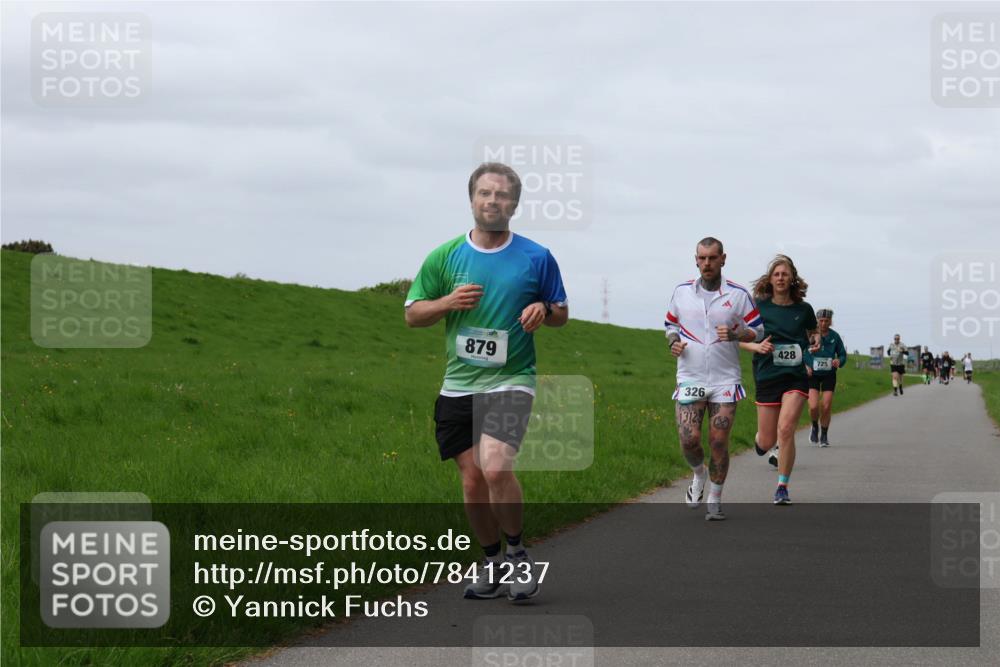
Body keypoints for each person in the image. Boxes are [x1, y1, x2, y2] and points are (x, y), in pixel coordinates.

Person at [404, 162, 568, 601]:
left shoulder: (536, 256)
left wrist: (543, 311)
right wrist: (446, 302)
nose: (493, 201)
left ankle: (517, 555)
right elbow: (412, 314)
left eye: (501, 195)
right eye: (485, 193)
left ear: (514, 204)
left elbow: (561, 313)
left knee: (496, 463)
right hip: (458, 384)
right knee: (473, 480)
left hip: (513, 377)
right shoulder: (444, 256)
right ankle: (492, 561)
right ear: (472, 199)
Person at [665, 237, 764, 521]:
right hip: (690, 375)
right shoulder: (682, 292)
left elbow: (758, 330)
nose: (707, 263)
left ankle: (715, 500)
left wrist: (737, 334)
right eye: (702, 258)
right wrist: (672, 342)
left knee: (719, 441)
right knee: (688, 439)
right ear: (695, 260)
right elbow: (670, 325)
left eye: (712, 258)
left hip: (724, 379)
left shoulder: (739, 295)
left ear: (723, 259)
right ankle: (699, 474)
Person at [739, 255, 820, 505]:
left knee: (786, 430)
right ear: (770, 279)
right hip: (767, 375)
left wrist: (815, 339)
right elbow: (736, 336)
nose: (781, 278)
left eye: (785, 274)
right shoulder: (758, 306)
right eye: (777, 274)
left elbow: (813, 331)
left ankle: (782, 487)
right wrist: (755, 347)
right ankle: (761, 443)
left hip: (795, 376)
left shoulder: (803, 309)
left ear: (792, 277)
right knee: (767, 440)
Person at [803, 309, 846, 447]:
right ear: (816, 320)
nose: (823, 323)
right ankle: (815, 426)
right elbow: (802, 351)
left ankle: (824, 436)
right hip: (813, 375)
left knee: (826, 405)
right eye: (821, 321)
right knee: (814, 406)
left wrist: (839, 361)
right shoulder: (810, 335)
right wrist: (806, 365)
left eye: (826, 321)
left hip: (829, 374)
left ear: (831, 321)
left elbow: (842, 355)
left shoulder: (835, 336)